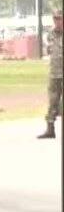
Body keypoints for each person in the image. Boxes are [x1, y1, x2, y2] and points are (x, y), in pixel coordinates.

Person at [41, 11, 61, 139]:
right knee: (52, 101)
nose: (57, 21)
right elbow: (49, 50)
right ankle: (50, 129)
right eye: (55, 18)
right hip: (54, 73)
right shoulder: (51, 34)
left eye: (59, 18)